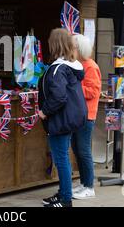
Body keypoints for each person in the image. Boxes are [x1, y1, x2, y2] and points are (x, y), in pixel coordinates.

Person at [38, 28, 87, 207]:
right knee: (63, 158)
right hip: (69, 119)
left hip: (60, 119)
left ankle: (65, 200)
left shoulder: (58, 69)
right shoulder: (70, 66)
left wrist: (44, 111)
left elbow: (59, 97)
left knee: (61, 159)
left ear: (55, 45)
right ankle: (62, 193)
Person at [70, 34, 101, 200]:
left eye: (73, 46)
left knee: (83, 151)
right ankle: (83, 183)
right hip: (77, 114)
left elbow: (93, 92)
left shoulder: (90, 66)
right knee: (77, 149)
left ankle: (89, 186)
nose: (70, 49)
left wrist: (73, 87)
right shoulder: (78, 65)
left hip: (86, 115)